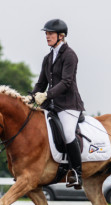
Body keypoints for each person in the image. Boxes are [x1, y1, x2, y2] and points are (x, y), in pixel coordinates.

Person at [31, 19, 85, 189]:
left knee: (68, 133)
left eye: (50, 33)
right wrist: (31, 97)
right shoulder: (48, 58)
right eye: (46, 33)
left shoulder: (70, 55)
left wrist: (47, 95)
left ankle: (77, 173)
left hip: (69, 105)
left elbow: (67, 82)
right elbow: (41, 83)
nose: (47, 36)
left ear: (61, 36)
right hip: (51, 105)